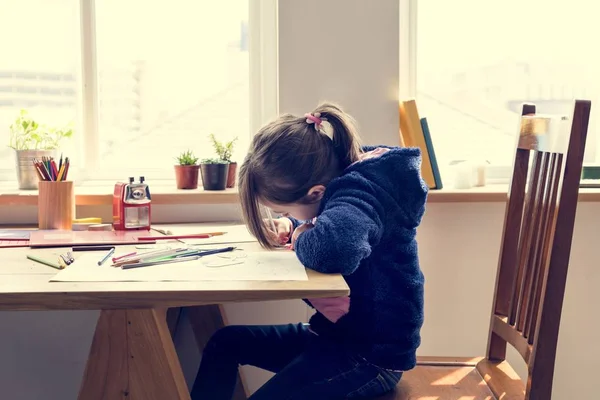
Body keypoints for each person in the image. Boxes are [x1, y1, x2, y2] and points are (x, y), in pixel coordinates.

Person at [191, 102, 428, 400]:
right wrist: (289, 223)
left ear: (316, 192)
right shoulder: (343, 182)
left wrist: (303, 232)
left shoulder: (360, 192)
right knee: (225, 342)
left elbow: (335, 251)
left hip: (371, 355)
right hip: (335, 337)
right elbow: (325, 217)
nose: (287, 214)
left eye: (283, 208)